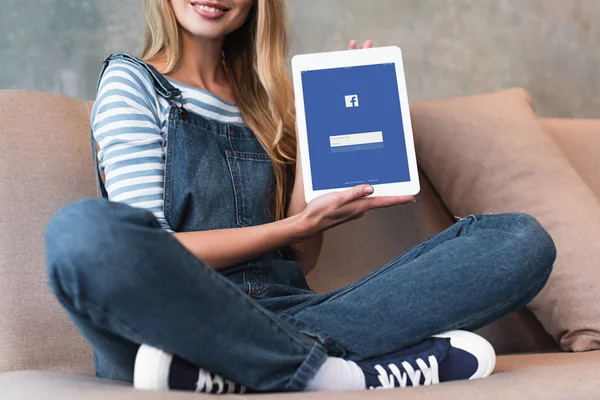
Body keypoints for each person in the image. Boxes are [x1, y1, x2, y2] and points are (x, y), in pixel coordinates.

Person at [44, 0, 556, 394]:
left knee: (519, 240)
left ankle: (231, 370)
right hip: (172, 318)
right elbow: (150, 251)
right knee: (81, 232)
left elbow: (299, 261)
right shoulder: (132, 82)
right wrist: (294, 227)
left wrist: (318, 135)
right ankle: (344, 376)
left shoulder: (268, 101)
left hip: (287, 313)